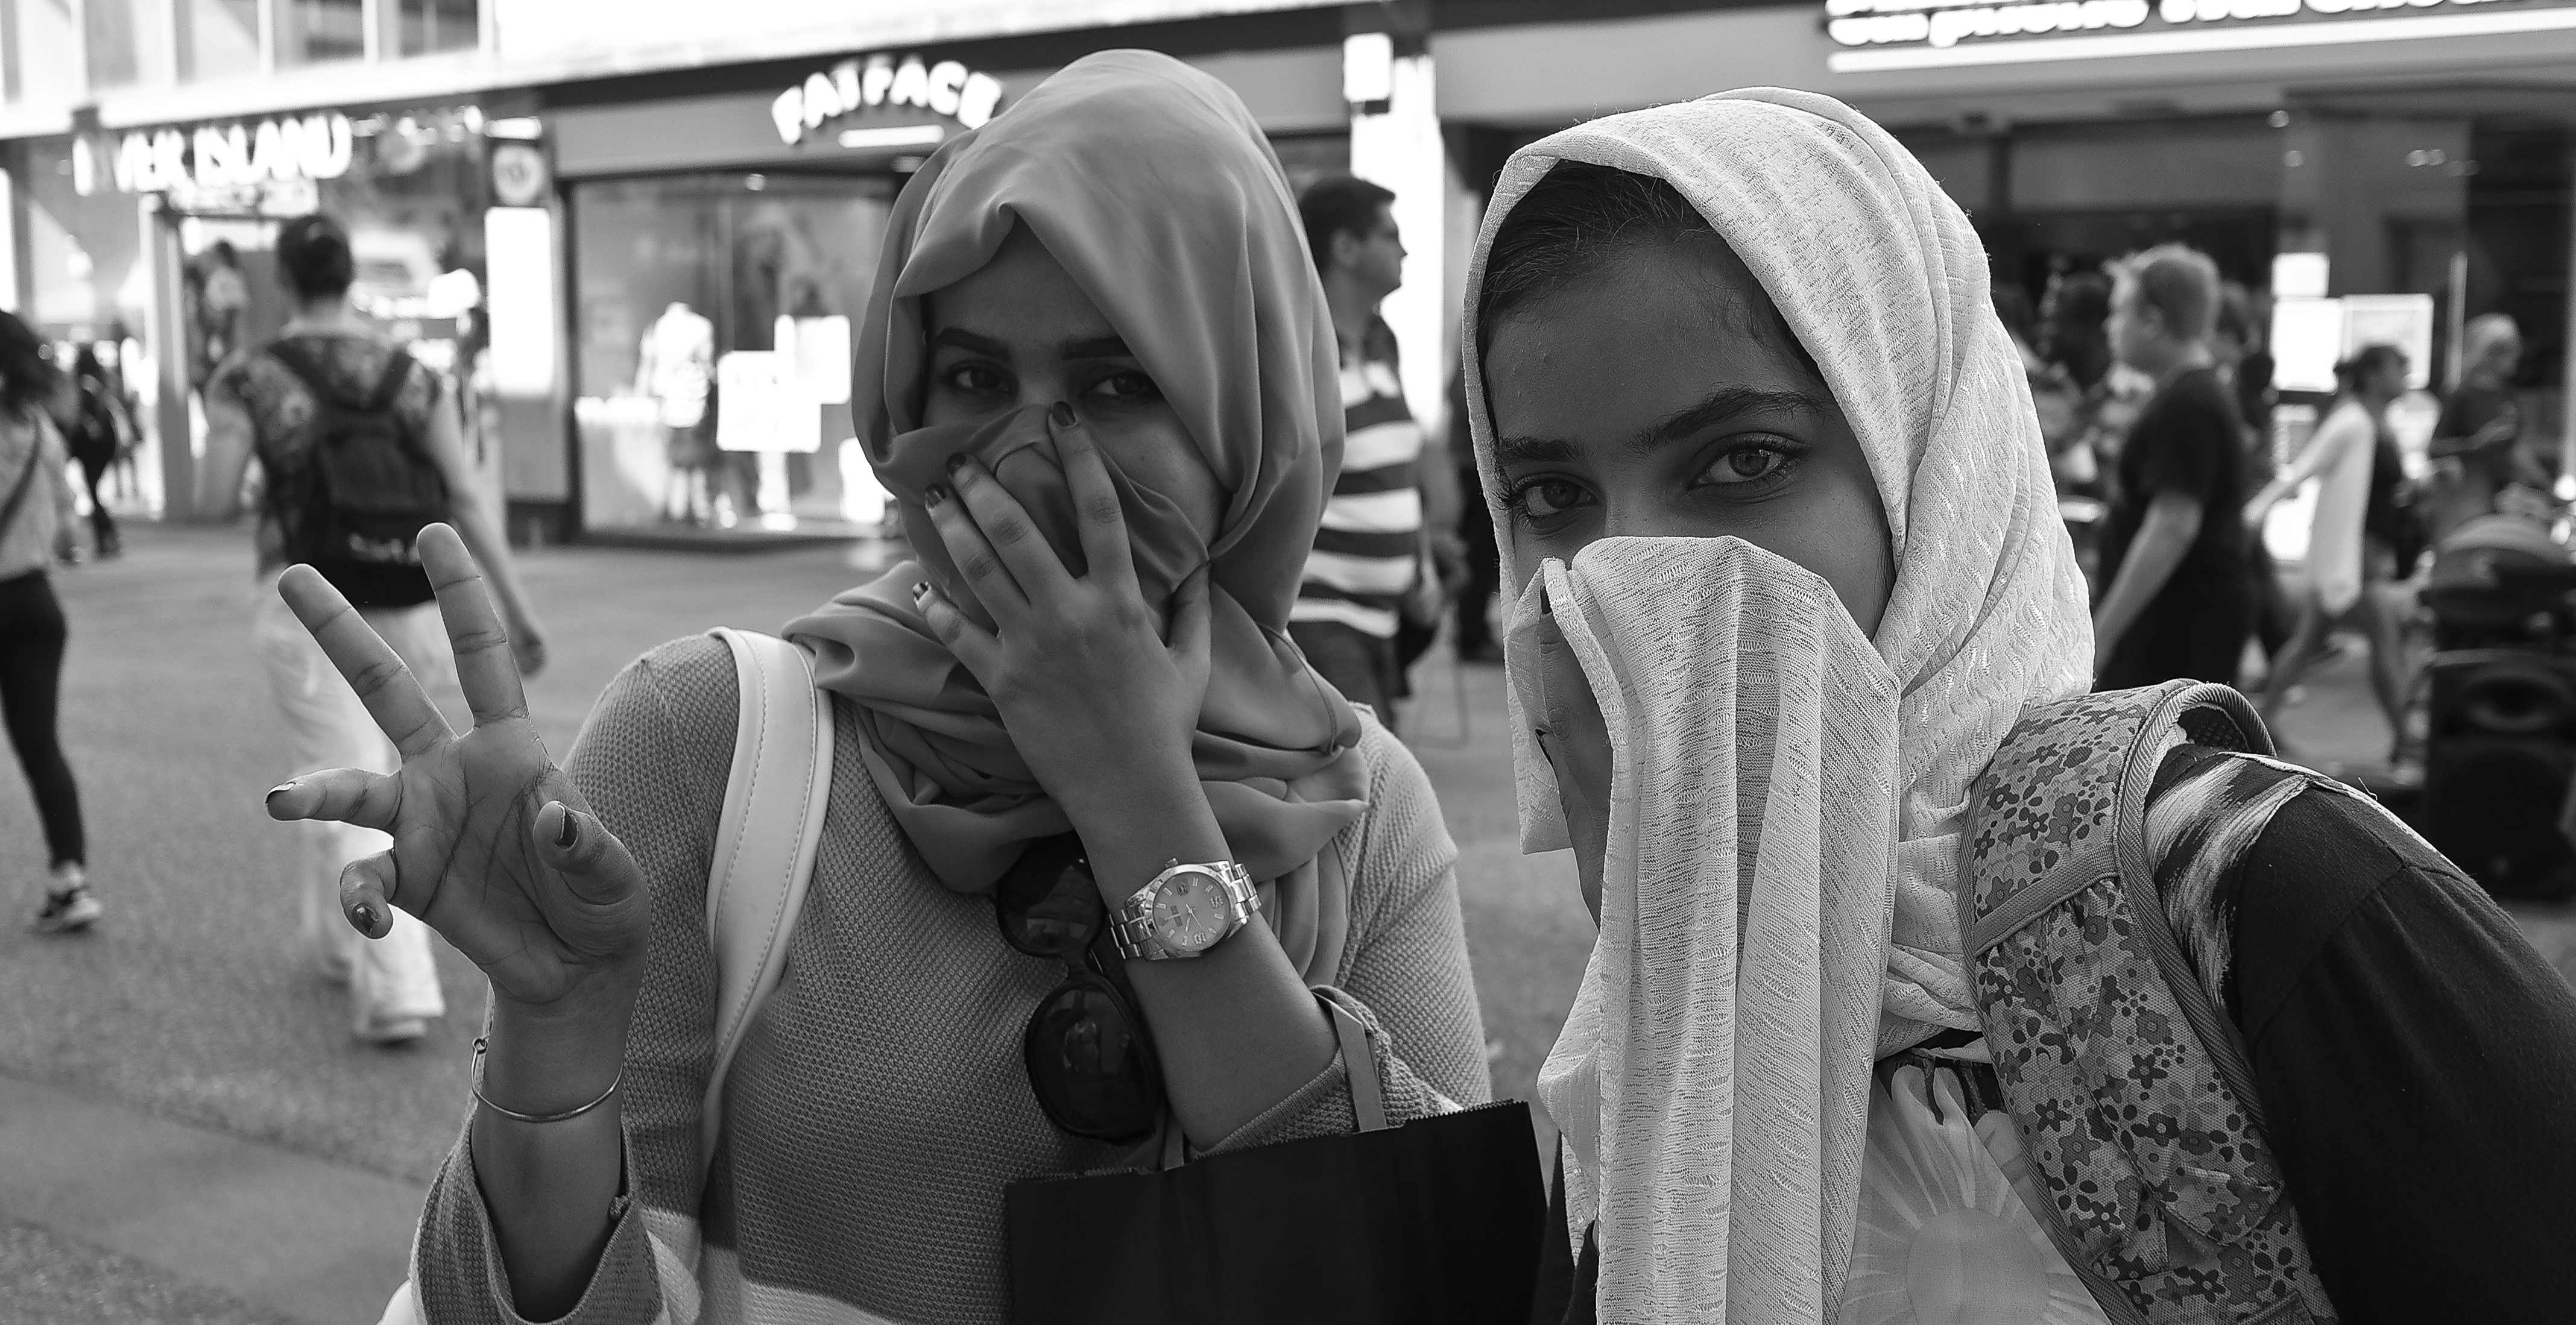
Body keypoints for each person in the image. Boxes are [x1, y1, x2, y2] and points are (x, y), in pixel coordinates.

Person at [264, 52, 1486, 1323]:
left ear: (1247, 418)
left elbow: (1422, 1279)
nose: (1030, 455)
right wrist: (555, 1043)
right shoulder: (707, 741)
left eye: (1119, 383)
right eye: (975, 380)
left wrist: (1138, 802)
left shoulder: (1362, 813)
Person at [1465, 88, 2576, 1323]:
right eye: (1552, 495)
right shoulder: (1655, 941)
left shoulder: (2259, 887)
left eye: (1743, 460)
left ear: (1935, 466)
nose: (1625, 580)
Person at [200, 213, 550, 1048]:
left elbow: (209, 498)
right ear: (349, 275)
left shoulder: (250, 375)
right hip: (410, 597)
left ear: (284, 280)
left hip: (308, 602)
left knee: (344, 777)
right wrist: (517, 607)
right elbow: (465, 496)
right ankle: (333, 944)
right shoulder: (412, 374)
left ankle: (399, 986)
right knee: (384, 767)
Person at [1287, 175, 1451, 729]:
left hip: (1384, 621)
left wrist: (1421, 570)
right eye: (1390, 235)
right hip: (1319, 619)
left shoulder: (1383, 341)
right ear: (1346, 247)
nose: (1404, 250)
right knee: (1370, 772)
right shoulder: (1299, 350)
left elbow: (1401, 475)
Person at [2091, 244, 2253, 689]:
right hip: (2184, 613)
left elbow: (2172, 526)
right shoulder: (2192, 393)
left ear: (2153, 321)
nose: (2110, 326)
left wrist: (2105, 632)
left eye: (2119, 312)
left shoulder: (2189, 403)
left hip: (2176, 622)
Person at [2244, 345, 2414, 762]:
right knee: (2383, 638)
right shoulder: (2353, 422)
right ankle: (2404, 737)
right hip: (2353, 560)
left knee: (2307, 643)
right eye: (2397, 368)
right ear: (2372, 376)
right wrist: (2256, 512)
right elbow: (2304, 468)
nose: (2405, 376)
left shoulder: (2372, 423)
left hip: (2362, 557)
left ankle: (2261, 723)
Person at [0, 312, 98, 933]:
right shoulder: (40, 429)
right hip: (36, 603)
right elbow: (68, 532)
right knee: (41, 747)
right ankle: (71, 879)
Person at [2423, 313, 2554, 544]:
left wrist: (2546, 486)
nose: (2517, 357)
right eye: (2509, 351)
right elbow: (2434, 449)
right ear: (2490, 354)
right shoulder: (2462, 395)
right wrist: (2476, 444)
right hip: (2469, 495)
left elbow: (2517, 450)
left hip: (2507, 495)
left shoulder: (2507, 395)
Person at [63, 346, 130, 559]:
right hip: (105, 444)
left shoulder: (83, 385)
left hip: (91, 448)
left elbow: (84, 417)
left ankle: (107, 537)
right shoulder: (98, 383)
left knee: (93, 493)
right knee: (94, 492)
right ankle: (105, 540)